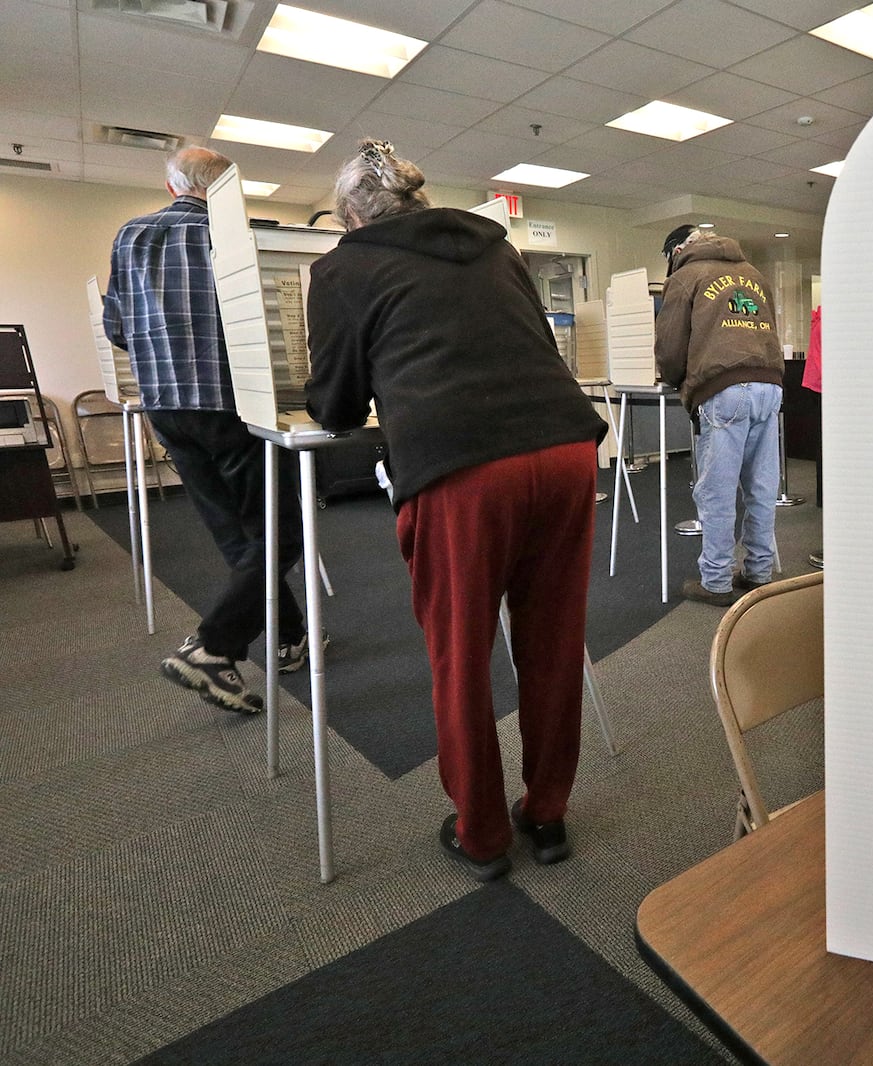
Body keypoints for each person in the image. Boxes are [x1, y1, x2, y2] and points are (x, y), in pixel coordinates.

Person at [305, 139, 607, 882]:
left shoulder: (342, 267)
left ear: (350, 215)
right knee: (552, 640)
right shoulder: (497, 249)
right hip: (564, 449)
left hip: (462, 467)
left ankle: (481, 833)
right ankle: (547, 813)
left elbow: (337, 405)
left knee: (461, 654)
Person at [103, 146, 311, 716]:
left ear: (173, 187)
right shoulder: (234, 235)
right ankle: (213, 649)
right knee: (279, 537)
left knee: (242, 541)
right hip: (232, 407)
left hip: (167, 408)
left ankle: (291, 637)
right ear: (226, 190)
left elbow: (118, 329)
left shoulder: (131, 235)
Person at [654, 226, 785, 607]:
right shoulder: (754, 275)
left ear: (678, 249)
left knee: (717, 491)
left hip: (724, 388)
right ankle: (759, 572)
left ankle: (716, 580)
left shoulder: (685, 276)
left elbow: (670, 347)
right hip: (769, 385)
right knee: (761, 487)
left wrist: (679, 382)